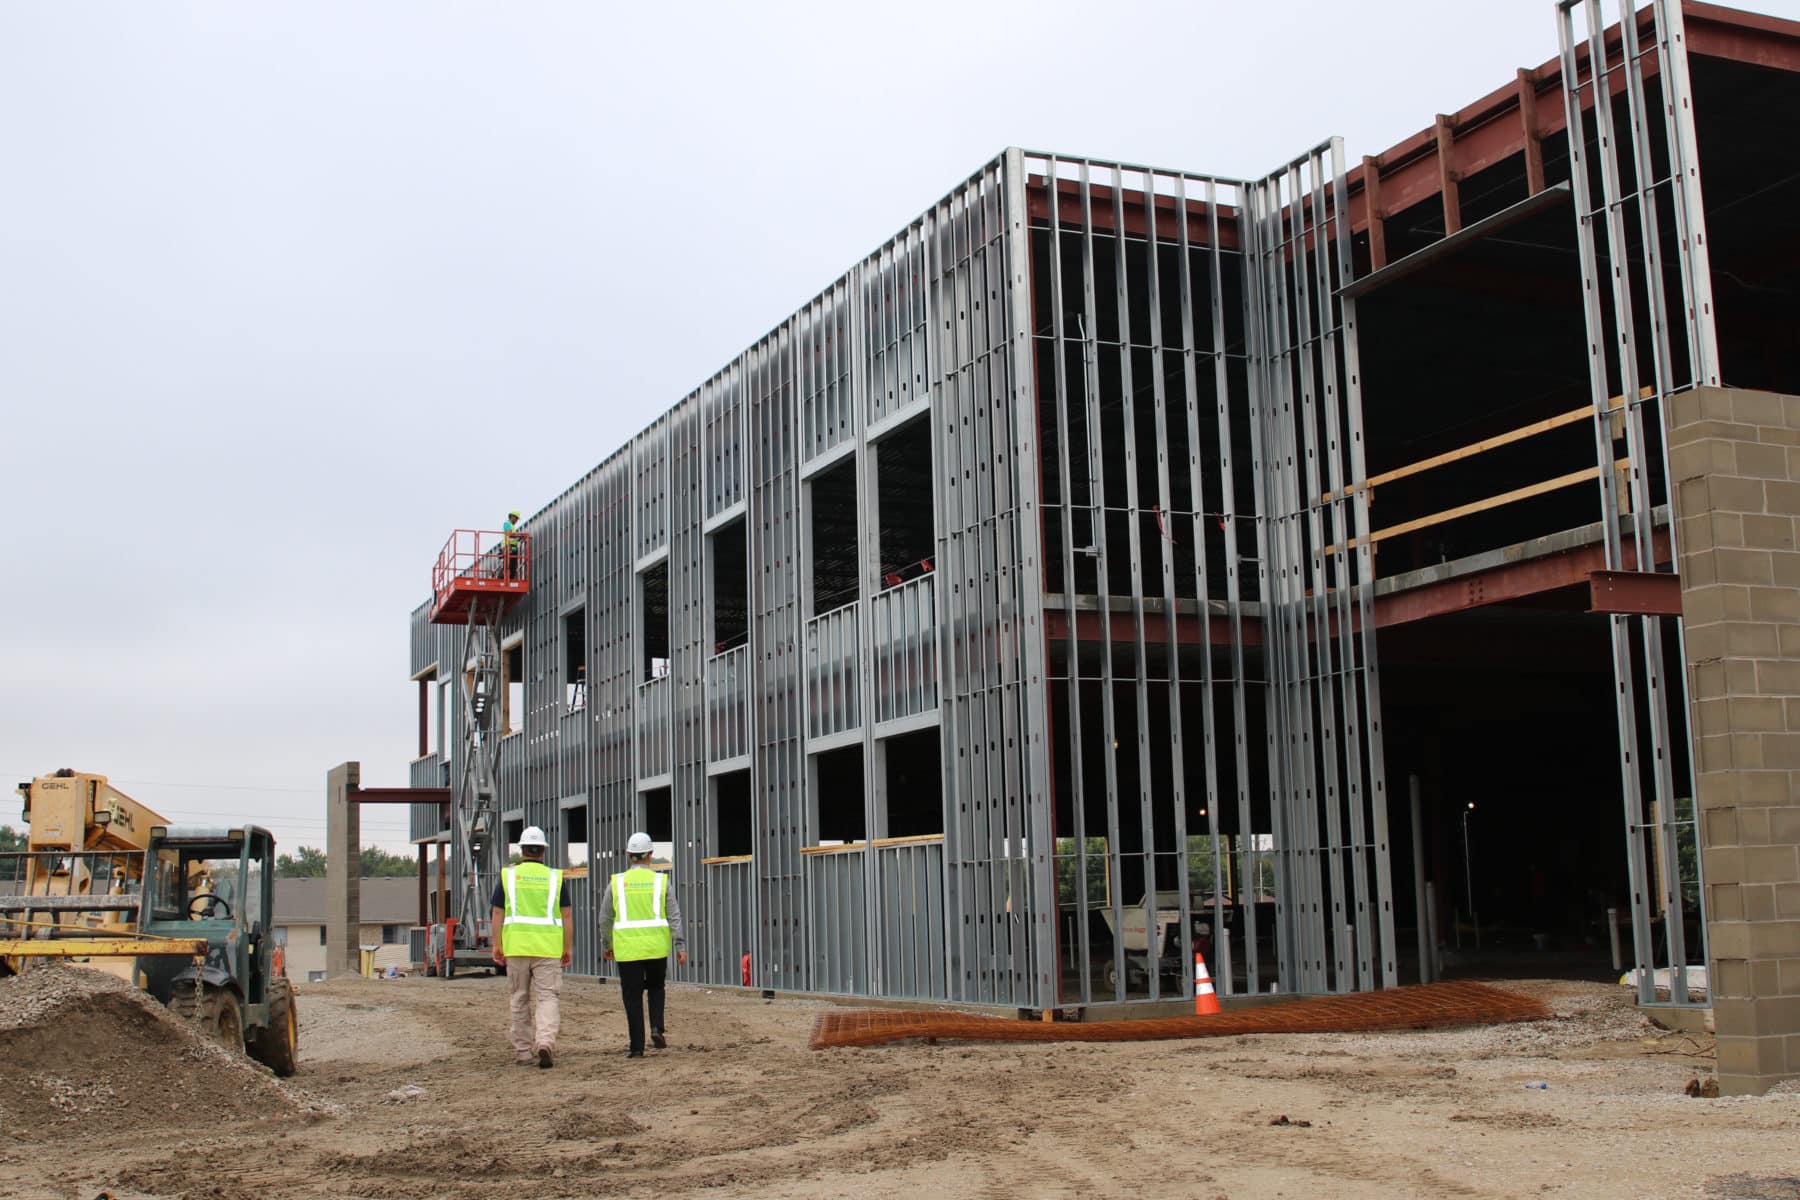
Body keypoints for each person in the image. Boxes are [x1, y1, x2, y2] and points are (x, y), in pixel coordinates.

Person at [598, 831, 687, 1058]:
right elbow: (674, 915)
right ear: (650, 855)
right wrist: (680, 945)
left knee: (632, 996)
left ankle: (636, 1047)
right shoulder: (661, 881)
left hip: (627, 951)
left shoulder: (617, 883)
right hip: (656, 948)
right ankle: (656, 1027)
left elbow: (605, 918)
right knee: (656, 987)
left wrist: (607, 944)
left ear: (629, 855)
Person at [489, 826, 572, 1068]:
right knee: (548, 997)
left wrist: (497, 944)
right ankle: (545, 1041)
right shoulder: (555, 878)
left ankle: (523, 1052)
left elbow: (497, 913)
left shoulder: (508, 876)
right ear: (543, 851)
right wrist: (567, 947)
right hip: (547, 947)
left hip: (516, 947)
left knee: (519, 998)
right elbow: (566, 915)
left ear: (522, 849)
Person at [501, 509, 524, 579]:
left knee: (513, 565)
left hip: (513, 546)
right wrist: (520, 535)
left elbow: (513, 537)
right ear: (512, 517)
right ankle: (503, 578)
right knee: (509, 564)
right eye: (516, 518)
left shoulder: (512, 526)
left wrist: (519, 538)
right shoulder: (507, 524)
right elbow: (510, 534)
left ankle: (510, 579)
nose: (517, 521)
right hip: (508, 546)